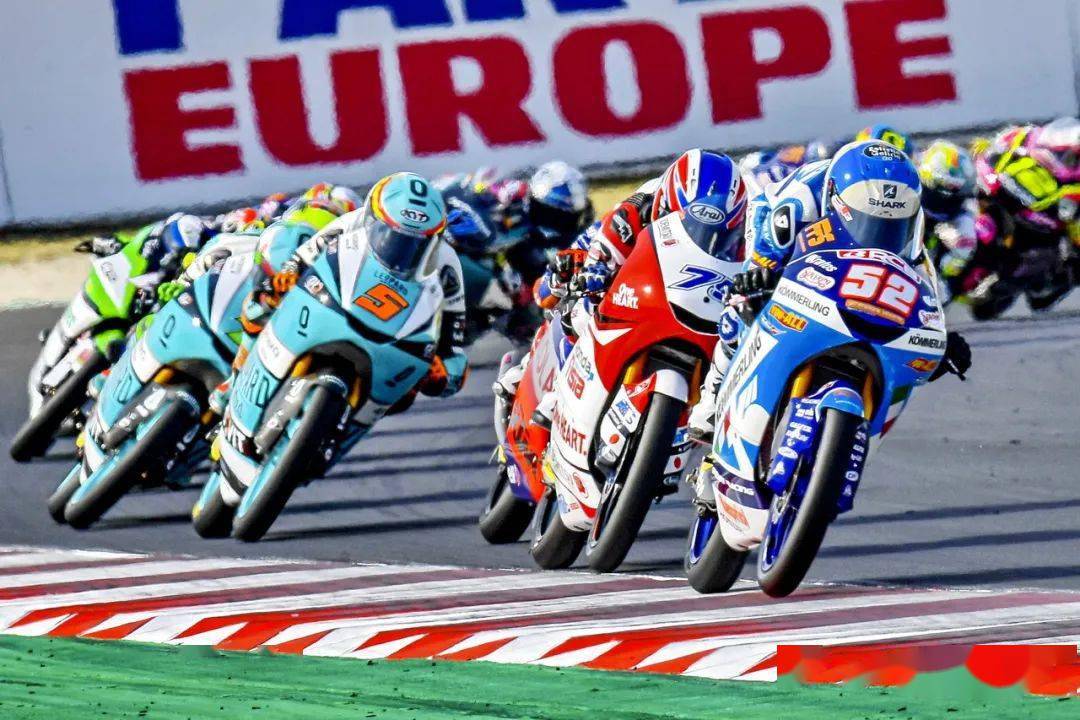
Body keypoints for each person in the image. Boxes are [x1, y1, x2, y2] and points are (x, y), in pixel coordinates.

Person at [687, 140, 972, 441]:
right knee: (744, 300)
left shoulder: (912, 230)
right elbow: (765, 261)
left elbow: (927, 296)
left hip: (846, 268)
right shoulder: (801, 202)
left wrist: (942, 339)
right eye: (868, 218)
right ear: (836, 199)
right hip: (776, 229)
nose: (877, 232)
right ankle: (713, 394)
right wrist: (760, 278)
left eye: (890, 224)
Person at [494, 149, 748, 411]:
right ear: (666, 202)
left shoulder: (745, 227)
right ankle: (540, 379)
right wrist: (593, 270)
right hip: (632, 263)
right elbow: (603, 247)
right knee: (573, 301)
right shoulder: (642, 203)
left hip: (697, 289)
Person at [269, 172, 470, 405]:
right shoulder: (351, 222)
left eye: (417, 243)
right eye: (391, 234)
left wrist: (443, 367)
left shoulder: (447, 261)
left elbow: (454, 333)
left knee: (417, 391)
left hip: (395, 336)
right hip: (339, 307)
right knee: (261, 304)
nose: (400, 250)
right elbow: (301, 258)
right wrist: (289, 274)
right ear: (371, 218)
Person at [916, 140, 980, 305]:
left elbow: (963, 250)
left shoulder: (963, 214)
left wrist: (943, 269)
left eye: (957, 192)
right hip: (909, 218)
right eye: (946, 189)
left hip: (938, 240)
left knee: (940, 294)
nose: (950, 197)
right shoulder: (911, 178)